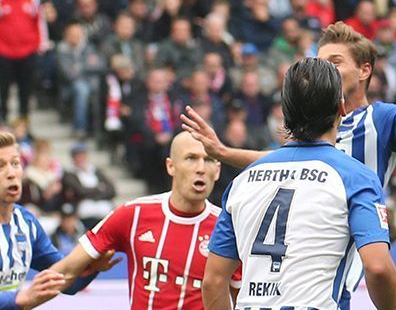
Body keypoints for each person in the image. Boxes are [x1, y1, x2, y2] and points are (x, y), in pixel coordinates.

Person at [181, 21, 396, 306]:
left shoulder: (379, 120)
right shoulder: (326, 158)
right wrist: (223, 152)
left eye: (334, 62)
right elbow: (284, 161)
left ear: (364, 71)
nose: (323, 69)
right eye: (319, 62)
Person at [202, 58, 396, 310]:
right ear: (341, 107)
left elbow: (213, 280)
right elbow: (379, 268)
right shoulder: (355, 177)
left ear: (285, 113)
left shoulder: (244, 179)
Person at [44, 132, 239, 309]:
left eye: (209, 160)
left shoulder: (228, 230)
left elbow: (244, 299)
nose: (201, 168)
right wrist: (21, 300)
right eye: (191, 158)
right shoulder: (133, 214)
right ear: (170, 166)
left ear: (218, 170)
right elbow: (65, 273)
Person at [0, 131, 116, 309]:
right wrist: (18, 299)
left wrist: (92, 267)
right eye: (1, 166)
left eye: (15, 163)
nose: (11, 173)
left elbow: (65, 279)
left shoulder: (26, 223)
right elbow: (22, 299)